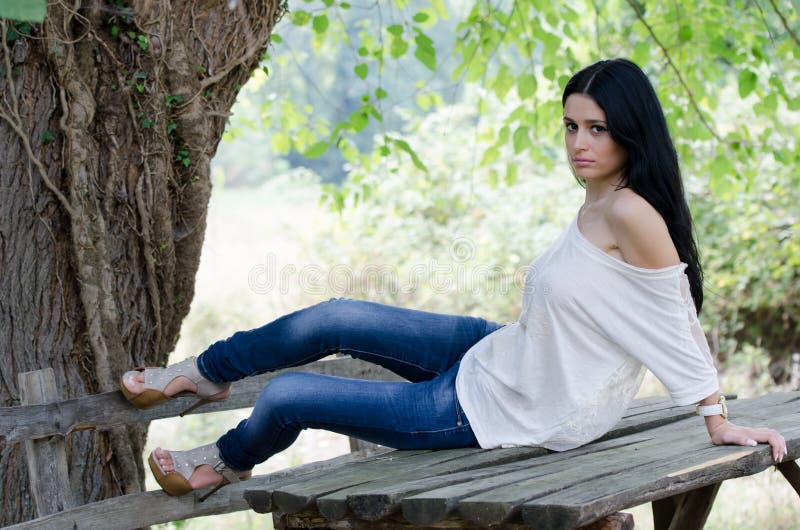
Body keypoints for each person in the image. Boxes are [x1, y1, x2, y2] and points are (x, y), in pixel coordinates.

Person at [121, 58, 787, 499]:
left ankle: (225, 461)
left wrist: (716, 419)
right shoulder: (602, 196)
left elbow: (673, 313)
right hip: (502, 355)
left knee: (290, 396)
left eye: (597, 129)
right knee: (333, 317)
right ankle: (205, 370)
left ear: (630, 135)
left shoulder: (631, 211)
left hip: (518, 409)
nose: (579, 143)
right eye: (570, 126)